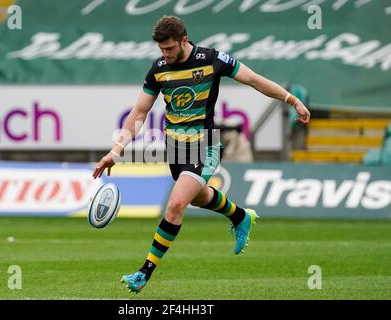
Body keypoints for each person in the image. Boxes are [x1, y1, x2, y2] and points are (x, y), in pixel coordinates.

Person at [92, 16, 310, 293]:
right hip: (176, 148)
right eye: (161, 50)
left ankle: (144, 272)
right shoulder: (158, 70)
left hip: (205, 144)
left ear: (184, 40)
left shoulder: (212, 59)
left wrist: (293, 100)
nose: (166, 54)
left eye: (170, 48)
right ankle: (240, 216)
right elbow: (139, 112)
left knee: (175, 205)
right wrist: (116, 151)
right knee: (199, 196)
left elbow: (254, 80)